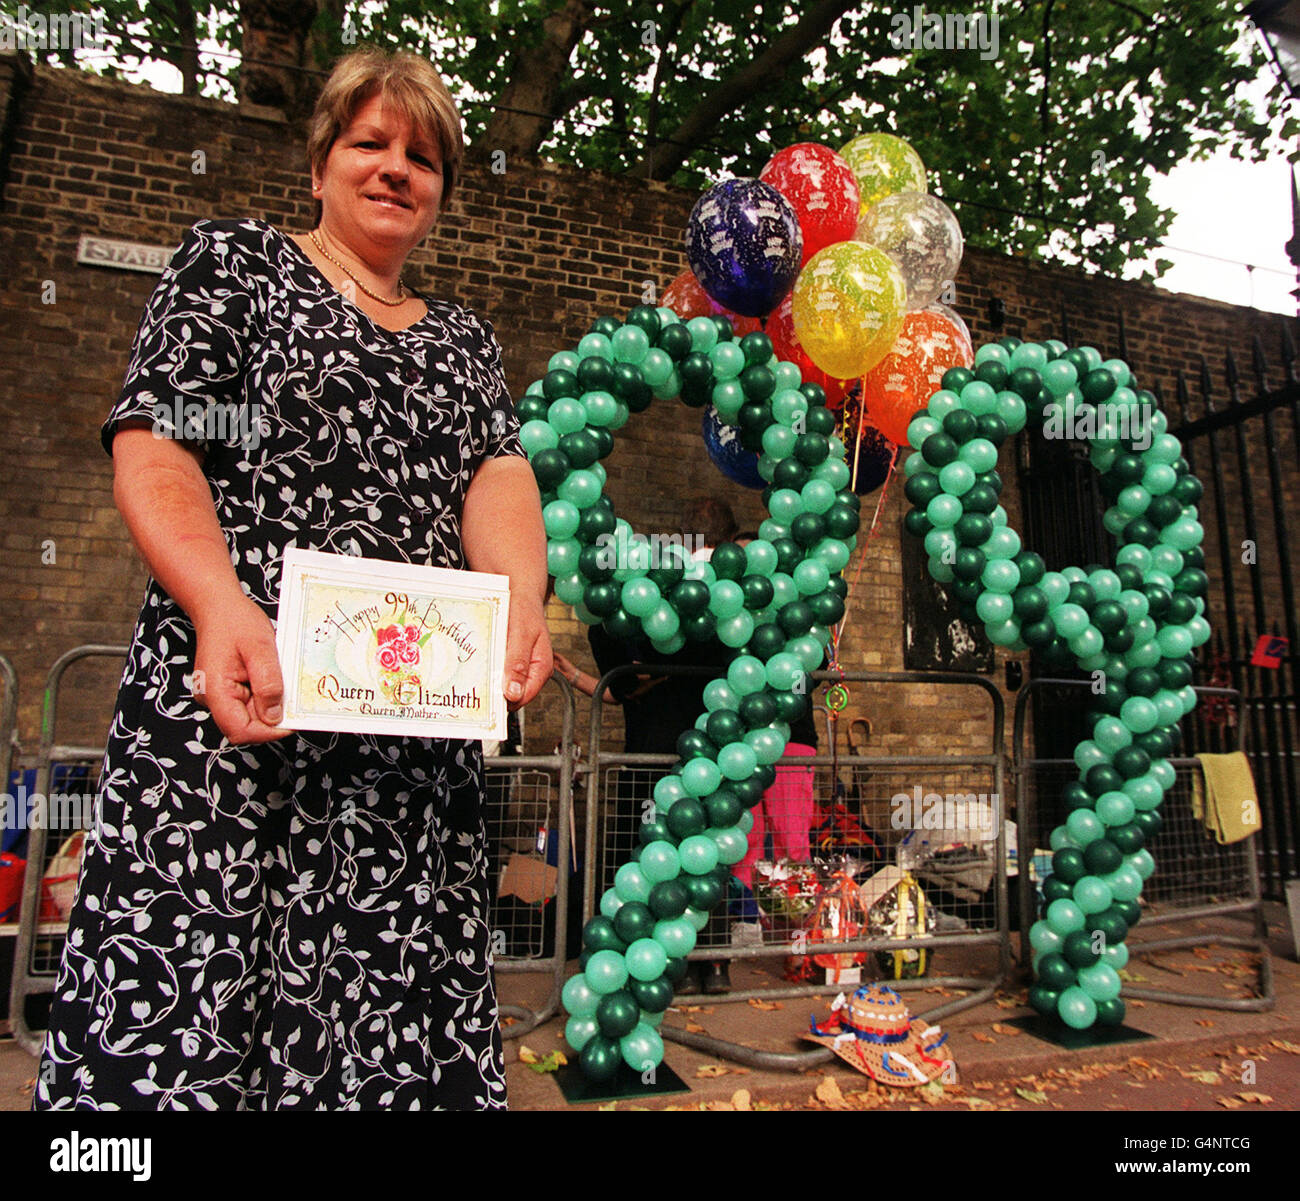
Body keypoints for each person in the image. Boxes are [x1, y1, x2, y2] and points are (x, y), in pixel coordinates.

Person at [32, 48, 550, 1111]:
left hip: (401, 777)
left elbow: (498, 478)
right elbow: (157, 442)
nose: (396, 168)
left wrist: (523, 602)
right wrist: (221, 603)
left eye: (423, 156)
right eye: (370, 143)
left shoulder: (464, 343)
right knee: (185, 1031)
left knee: (391, 1040)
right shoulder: (233, 265)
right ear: (320, 164)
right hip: (231, 730)